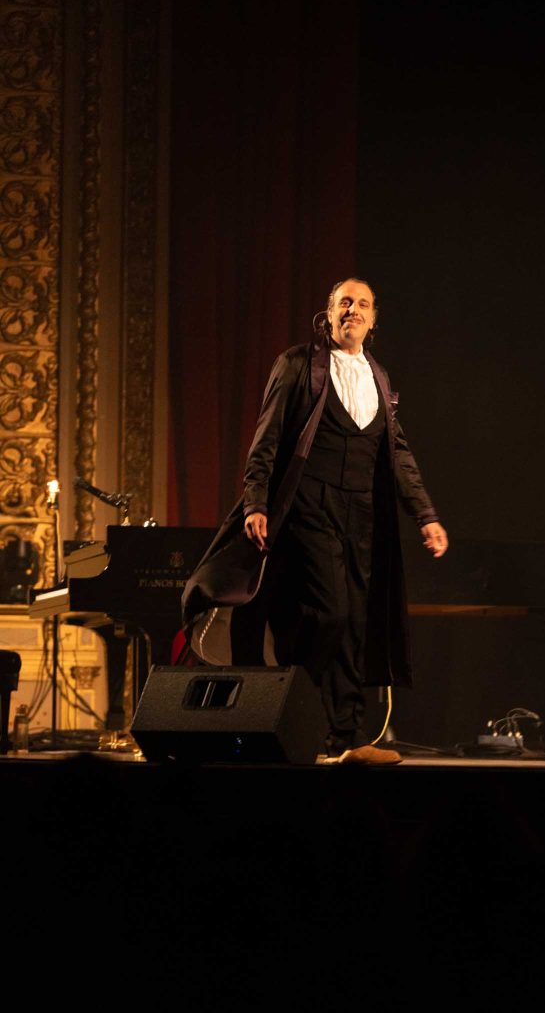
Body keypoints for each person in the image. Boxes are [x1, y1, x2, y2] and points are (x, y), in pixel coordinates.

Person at [181, 277, 448, 765]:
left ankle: (345, 737)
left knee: (355, 624)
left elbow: (399, 455)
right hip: (308, 506)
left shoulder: (380, 378)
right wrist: (256, 502)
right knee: (329, 614)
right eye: (345, 302)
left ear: (373, 319)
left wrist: (425, 515)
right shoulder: (298, 364)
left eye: (362, 304)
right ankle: (303, 722)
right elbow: (267, 436)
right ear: (328, 314)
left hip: (362, 515)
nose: (353, 310)